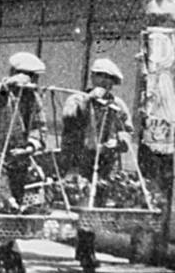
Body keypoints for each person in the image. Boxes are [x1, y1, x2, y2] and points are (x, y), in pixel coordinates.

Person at [0, 51, 48, 273]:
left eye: (34, 77)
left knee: (12, 207)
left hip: (20, 160)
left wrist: (31, 146)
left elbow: (39, 126)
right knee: (5, 202)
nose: (31, 81)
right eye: (28, 75)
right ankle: (12, 259)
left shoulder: (33, 99)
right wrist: (6, 87)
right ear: (14, 73)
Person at [61, 58, 133, 273]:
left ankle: (84, 247)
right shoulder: (78, 99)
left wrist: (119, 142)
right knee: (85, 203)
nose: (105, 83)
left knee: (95, 205)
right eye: (101, 78)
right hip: (80, 159)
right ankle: (86, 251)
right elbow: (68, 117)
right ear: (93, 78)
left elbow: (127, 129)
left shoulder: (117, 105)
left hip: (105, 162)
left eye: (110, 80)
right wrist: (88, 102)